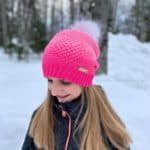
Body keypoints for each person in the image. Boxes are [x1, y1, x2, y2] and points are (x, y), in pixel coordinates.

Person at [22, 21, 132, 150]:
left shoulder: (107, 124)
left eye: (65, 81)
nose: (54, 92)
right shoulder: (41, 117)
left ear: (84, 81)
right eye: (50, 81)